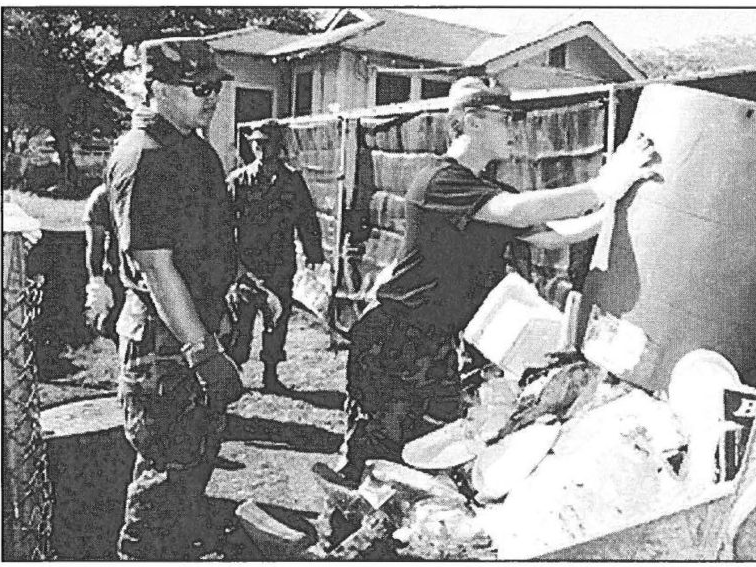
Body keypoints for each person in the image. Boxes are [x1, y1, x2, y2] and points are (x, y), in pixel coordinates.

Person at [338, 76, 660, 483]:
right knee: (371, 459)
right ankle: (337, 537)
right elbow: (515, 212)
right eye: (505, 119)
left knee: (425, 457)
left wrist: (620, 202)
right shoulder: (439, 180)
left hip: (436, 344)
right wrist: (602, 186)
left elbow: (553, 235)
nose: (515, 129)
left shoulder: (486, 190)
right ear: (471, 122)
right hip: (394, 339)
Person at [104, 37, 244, 560]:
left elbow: (200, 245)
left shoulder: (192, 148)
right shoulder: (147, 157)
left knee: (192, 472)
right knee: (165, 478)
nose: (211, 98)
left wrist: (239, 282)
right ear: (157, 87)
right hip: (166, 348)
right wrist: (203, 353)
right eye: (199, 87)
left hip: (189, 334)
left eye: (215, 87)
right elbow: (156, 267)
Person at [226, 120, 324, 393]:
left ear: (278, 146)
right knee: (240, 324)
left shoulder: (292, 181)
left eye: (266, 142)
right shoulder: (238, 181)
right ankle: (234, 375)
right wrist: (230, 264)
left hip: (280, 265)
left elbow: (306, 219)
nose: (260, 148)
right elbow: (223, 225)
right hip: (246, 265)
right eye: (256, 143)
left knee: (277, 322)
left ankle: (271, 375)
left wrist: (313, 252)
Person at [83, 183, 125, 343]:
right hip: (118, 273)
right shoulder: (103, 196)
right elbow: (95, 245)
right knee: (113, 327)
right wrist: (97, 283)